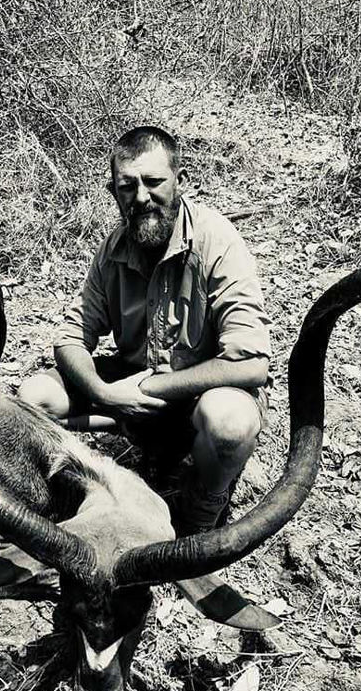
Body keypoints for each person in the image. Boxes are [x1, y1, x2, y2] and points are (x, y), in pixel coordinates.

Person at [19, 126, 272, 535]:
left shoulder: (218, 240)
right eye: (127, 186)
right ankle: (78, 499)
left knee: (230, 423)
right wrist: (106, 395)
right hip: (131, 389)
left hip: (197, 397)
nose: (141, 197)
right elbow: (69, 338)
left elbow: (250, 364)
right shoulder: (113, 247)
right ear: (113, 191)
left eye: (154, 182)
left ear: (180, 181)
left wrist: (153, 389)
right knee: (35, 398)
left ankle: (200, 508)